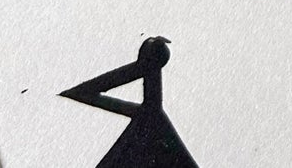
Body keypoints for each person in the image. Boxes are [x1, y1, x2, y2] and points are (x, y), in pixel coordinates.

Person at [61, 36, 200, 167]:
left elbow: (84, 93)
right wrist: (140, 68)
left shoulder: (152, 117)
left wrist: (138, 68)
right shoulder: (153, 117)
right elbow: (84, 93)